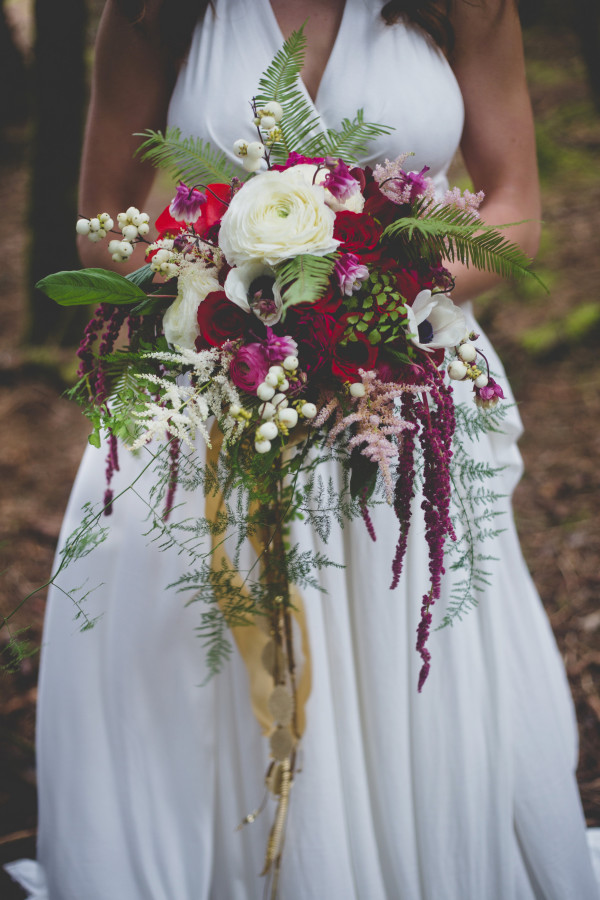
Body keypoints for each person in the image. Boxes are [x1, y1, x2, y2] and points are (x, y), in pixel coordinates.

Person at [7, 0, 600, 897]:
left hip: (407, 387)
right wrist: (232, 298)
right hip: (212, 383)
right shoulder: (153, 11)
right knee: (192, 683)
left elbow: (514, 208)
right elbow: (103, 220)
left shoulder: (467, 5)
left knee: (414, 670)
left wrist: (369, 302)